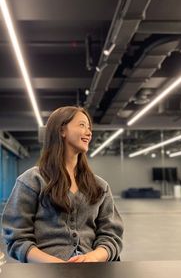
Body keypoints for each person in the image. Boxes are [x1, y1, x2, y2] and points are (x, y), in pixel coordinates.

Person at [1, 106, 123, 263]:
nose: (89, 132)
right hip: (45, 273)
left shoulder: (100, 186)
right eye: (82, 125)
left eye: (89, 127)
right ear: (61, 131)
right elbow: (17, 238)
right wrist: (56, 264)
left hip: (93, 271)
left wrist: (92, 257)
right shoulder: (31, 180)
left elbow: (111, 235)